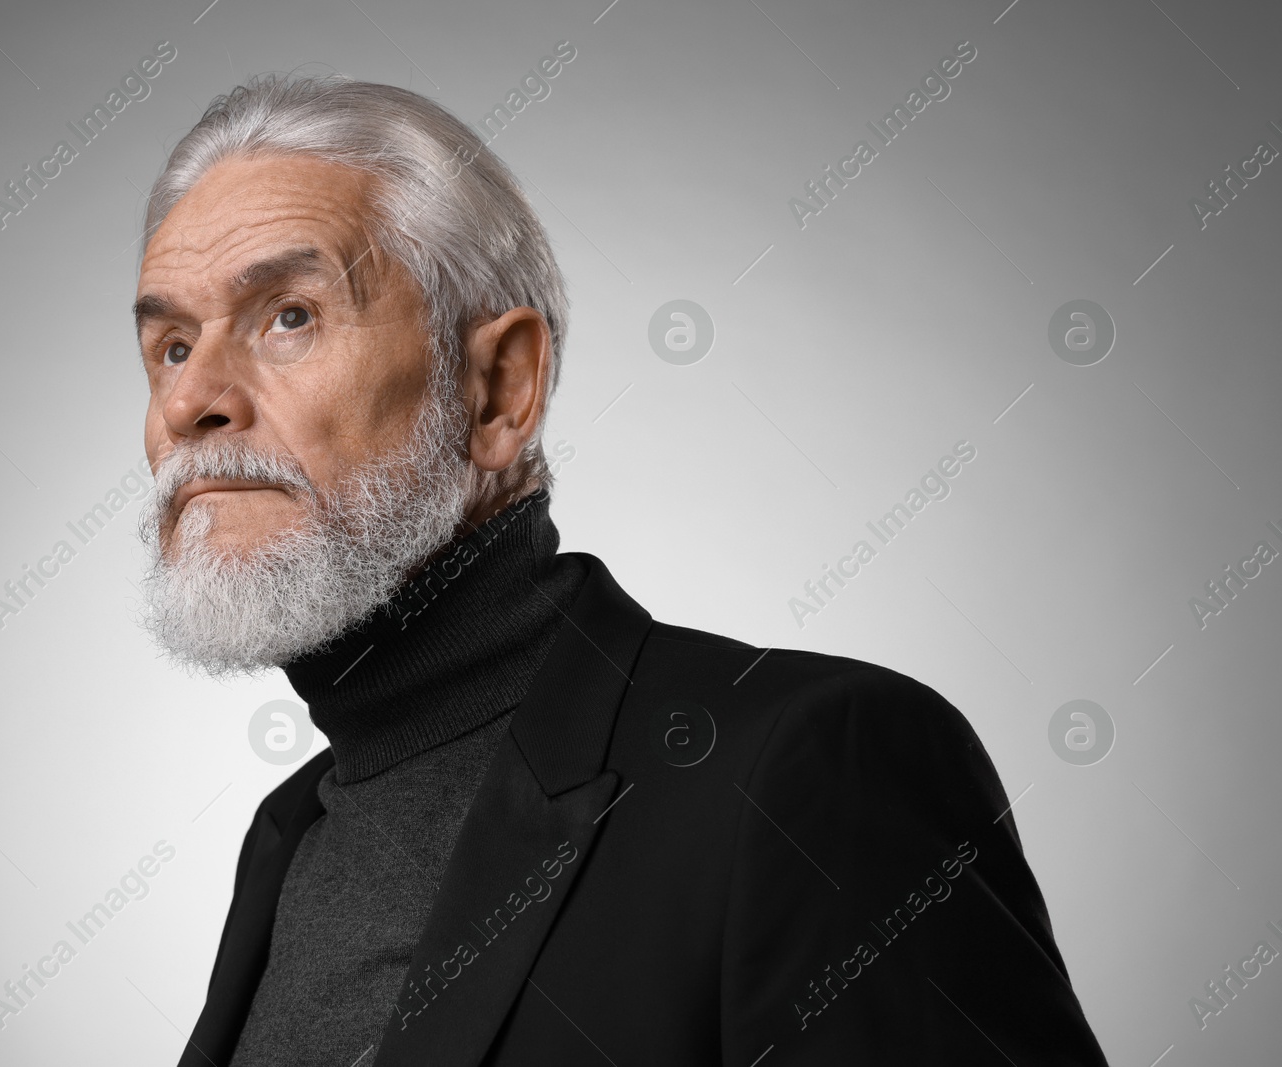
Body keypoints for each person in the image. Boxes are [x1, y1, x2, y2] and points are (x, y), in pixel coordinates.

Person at [129, 74, 1109, 1067]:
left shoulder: (808, 767)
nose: (191, 400)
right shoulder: (290, 833)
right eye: (169, 344)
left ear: (499, 388)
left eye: (288, 315)